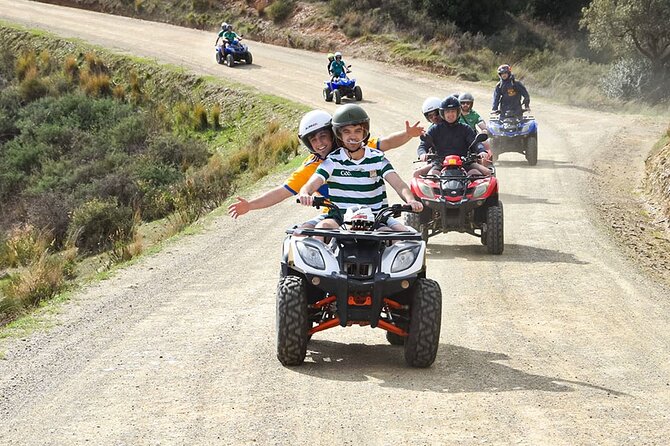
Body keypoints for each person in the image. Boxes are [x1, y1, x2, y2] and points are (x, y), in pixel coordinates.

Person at [228, 110, 424, 228]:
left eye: (323, 136)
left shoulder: (357, 147)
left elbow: (387, 143)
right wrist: (250, 205)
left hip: (371, 215)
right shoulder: (313, 166)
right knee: (300, 238)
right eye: (313, 139)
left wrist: (408, 135)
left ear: (333, 134)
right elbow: (282, 192)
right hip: (337, 216)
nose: (319, 143)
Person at [298, 104, 422, 232]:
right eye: (347, 132)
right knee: (319, 229)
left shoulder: (378, 159)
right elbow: (311, 185)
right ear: (338, 135)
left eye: (357, 131)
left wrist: (411, 200)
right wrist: (305, 193)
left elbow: (399, 185)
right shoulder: (332, 161)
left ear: (365, 132)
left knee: (402, 238)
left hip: (376, 218)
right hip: (340, 218)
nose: (353, 136)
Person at [414, 95, 490, 178]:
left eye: (453, 111)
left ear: (458, 112)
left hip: (464, 162)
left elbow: (475, 143)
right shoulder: (434, 129)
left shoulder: (465, 128)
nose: (450, 114)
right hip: (440, 163)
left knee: (486, 173)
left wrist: (481, 151)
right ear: (443, 113)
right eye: (447, 112)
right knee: (426, 175)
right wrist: (422, 154)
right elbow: (423, 145)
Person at [458, 92, 492, 162]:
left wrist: (484, 130)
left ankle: (486, 168)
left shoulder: (474, 115)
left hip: (471, 139)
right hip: (457, 138)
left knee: (486, 145)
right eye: (463, 103)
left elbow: (482, 126)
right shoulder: (455, 114)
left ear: (471, 104)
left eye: (467, 103)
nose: (465, 105)